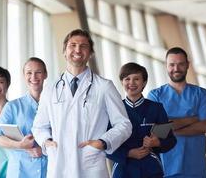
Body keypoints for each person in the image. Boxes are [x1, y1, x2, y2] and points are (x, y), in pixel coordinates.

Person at [32, 29, 132, 178]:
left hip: (90, 165)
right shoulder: (51, 89)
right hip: (59, 164)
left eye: (83, 46)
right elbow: (39, 126)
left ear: (90, 53)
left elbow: (124, 124)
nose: (78, 50)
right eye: (73, 45)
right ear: (64, 51)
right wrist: (46, 142)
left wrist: (103, 142)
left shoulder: (104, 87)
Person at [148, 47, 206, 178]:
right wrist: (194, 119)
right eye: (172, 64)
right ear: (165, 66)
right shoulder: (155, 95)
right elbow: (156, 131)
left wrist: (170, 130)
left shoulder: (201, 94)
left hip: (195, 167)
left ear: (188, 65)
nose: (176, 68)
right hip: (165, 167)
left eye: (181, 64)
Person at [107, 62, 176, 178]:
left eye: (136, 79)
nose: (131, 83)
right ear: (122, 82)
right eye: (127, 79)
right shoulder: (113, 110)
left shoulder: (156, 109)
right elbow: (106, 144)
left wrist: (157, 142)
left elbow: (170, 140)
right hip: (123, 170)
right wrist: (129, 153)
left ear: (144, 82)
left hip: (151, 169)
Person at [0, 57, 48, 178]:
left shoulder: (53, 105)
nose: (33, 77)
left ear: (45, 74)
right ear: (24, 76)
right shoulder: (12, 107)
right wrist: (20, 145)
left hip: (48, 171)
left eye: (38, 72)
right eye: (29, 73)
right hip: (20, 172)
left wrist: (44, 149)